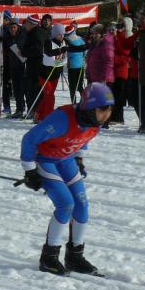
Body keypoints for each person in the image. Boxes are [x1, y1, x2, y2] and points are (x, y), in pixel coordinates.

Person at [19, 82, 114, 276]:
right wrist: (30, 171)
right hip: (46, 160)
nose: (107, 114)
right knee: (66, 204)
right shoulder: (62, 119)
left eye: (109, 109)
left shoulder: (94, 122)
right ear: (89, 108)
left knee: (82, 204)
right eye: (103, 109)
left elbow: (83, 138)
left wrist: (79, 158)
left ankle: (75, 257)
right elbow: (29, 139)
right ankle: (49, 258)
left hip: (66, 159)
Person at [21, 14, 46, 117]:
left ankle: (36, 111)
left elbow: (38, 50)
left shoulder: (37, 33)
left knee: (34, 90)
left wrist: (24, 52)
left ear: (32, 23)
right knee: (30, 89)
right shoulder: (32, 32)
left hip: (37, 67)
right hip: (32, 66)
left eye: (27, 22)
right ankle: (33, 110)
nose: (25, 24)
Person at [3, 20, 27, 118]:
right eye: (11, 28)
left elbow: (24, 47)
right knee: (16, 88)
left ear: (18, 27)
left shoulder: (23, 35)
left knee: (22, 88)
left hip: (22, 65)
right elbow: (5, 49)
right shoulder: (7, 37)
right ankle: (19, 109)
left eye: (14, 27)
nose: (12, 29)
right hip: (12, 65)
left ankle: (22, 108)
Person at [112, 18, 134, 125]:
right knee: (113, 94)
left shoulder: (127, 36)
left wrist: (113, 58)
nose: (119, 27)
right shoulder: (117, 36)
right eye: (119, 25)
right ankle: (113, 116)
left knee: (119, 95)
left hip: (122, 71)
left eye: (122, 25)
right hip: (114, 70)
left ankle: (118, 118)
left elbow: (127, 55)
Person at [65, 24, 86, 103]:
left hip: (73, 66)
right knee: (79, 85)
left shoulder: (67, 40)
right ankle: (83, 100)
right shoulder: (80, 39)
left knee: (72, 87)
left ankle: (74, 103)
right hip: (79, 65)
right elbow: (85, 51)